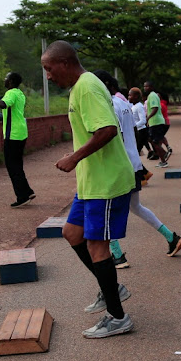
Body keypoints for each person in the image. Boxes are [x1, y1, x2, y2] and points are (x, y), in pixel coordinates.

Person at [41, 40, 135, 338]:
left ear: (65, 63)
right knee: (72, 233)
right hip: (91, 181)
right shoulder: (81, 86)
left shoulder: (87, 87)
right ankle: (112, 288)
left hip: (105, 182)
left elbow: (107, 129)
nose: (48, 75)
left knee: (97, 246)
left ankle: (117, 316)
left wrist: (74, 157)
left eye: (49, 68)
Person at [93, 70, 181, 268]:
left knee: (106, 211)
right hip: (132, 163)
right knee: (135, 207)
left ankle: (117, 255)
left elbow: (108, 135)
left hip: (118, 166)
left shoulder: (109, 104)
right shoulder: (124, 104)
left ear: (105, 85)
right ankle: (171, 237)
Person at [0, 72, 35, 207]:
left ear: (10, 82)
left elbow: (3, 104)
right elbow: (4, 101)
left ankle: (22, 197)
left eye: (6, 78)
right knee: (17, 164)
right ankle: (27, 191)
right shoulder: (19, 93)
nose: (4, 80)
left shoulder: (10, 93)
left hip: (13, 135)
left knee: (12, 166)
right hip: (21, 133)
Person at [143, 80, 170, 167]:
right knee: (152, 140)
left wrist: (148, 118)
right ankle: (163, 160)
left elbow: (155, 108)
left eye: (147, 86)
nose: (145, 88)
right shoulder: (150, 96)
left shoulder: (153, 95)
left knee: (155, 142)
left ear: (152, 87)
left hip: (156, 122)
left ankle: (165, 155)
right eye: (144, 86)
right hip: (153, 122)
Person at [128, 87, 152, 158]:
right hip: (137, 131)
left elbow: (143, 120)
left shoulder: (139, 106)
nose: (128, 97)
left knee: (135, 153)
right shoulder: (133, 106)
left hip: (141, 131)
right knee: (135, 153)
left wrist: (133, 126)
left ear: (136, 96)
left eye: (130, 95)